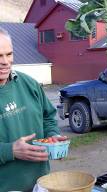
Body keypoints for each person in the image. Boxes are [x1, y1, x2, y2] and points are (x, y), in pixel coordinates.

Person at [0, 27, 66, 191]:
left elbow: (48, 117)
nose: (5, 62)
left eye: (9, 54)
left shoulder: (29, 84)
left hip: (41, 184)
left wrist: (53, 135)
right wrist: (10, 150)